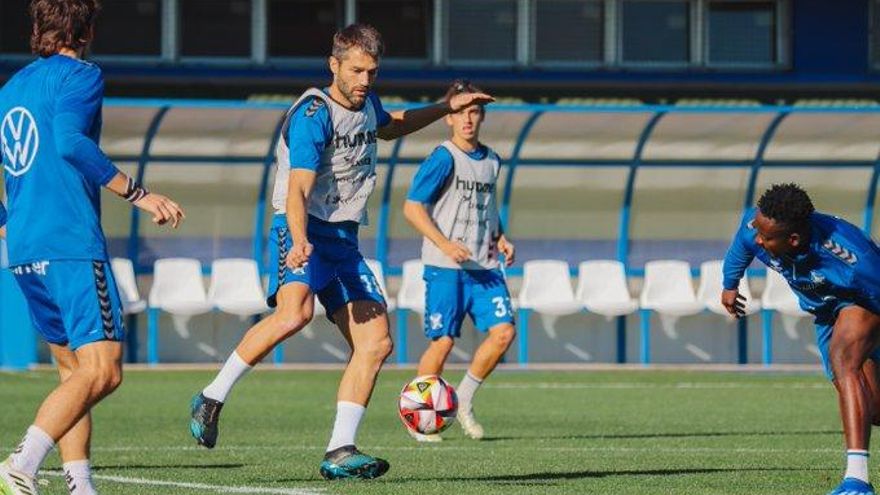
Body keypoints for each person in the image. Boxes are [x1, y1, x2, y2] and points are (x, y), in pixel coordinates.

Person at [189, 24, 494, 480]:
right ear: (334, 65)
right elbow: (297, 191)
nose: (365, 80)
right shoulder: (315, 113)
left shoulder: (366, 102)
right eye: (356, 70)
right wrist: (298, 241)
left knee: (377, 343)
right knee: (293, 315)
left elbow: (393, 125)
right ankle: (211, 397)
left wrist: (447, 106)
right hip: (302, 228)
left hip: (343, 239)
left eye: (372, 71)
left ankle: (339, 449)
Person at [0, 1, 185, 494]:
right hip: (69, 244)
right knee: (104, 370)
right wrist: (139, 194)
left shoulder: (12, 87)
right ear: (86, 29)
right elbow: (69, 141)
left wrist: (7, 222)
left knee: (73, 374)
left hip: (25, 248)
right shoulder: (81, 74)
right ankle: (22, 463)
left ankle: (80, 487)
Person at [722, 183, 880, 495]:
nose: (758, 240)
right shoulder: (760, 225)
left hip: (863, 302)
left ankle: (857, 480)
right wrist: (730, 284)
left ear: (793, 239)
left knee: (844, 359)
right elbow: (742, 241)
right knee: (873, 410)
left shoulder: (853, 256)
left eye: (766, 238)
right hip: (825, 313)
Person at [402, 80, 515, 442]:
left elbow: (486, 208)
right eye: (460, 112)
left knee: (504, 332)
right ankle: (419, 420)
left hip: (483, 267)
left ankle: (463, 399)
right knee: (444, 342)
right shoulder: (443, 157)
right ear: (449, 118)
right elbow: (412, 208)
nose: (467, 119)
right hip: (445, 267)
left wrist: (501, 235)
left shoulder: (493, 160)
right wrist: (445, 243)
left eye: (474, 112)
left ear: (482, 116)